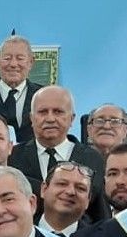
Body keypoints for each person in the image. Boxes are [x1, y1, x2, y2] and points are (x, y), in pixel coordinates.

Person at [10, 85, 106, 222]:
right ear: (32, 118)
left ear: (72, 118)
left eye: (58, 112)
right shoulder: (12, 157)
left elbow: (99, 211)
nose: (50, 118)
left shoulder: (92, 159)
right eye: (43, 112)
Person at [0, 35, 42, 143]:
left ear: (31, 63)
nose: (13, 64)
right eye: (7, 58)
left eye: (20, 58)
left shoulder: (43, 96)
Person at [38, 162, 93, 237]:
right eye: (62, 184)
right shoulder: (23, 232)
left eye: (80, 188)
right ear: (44, 189)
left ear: (88, 200)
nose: (70, 192)